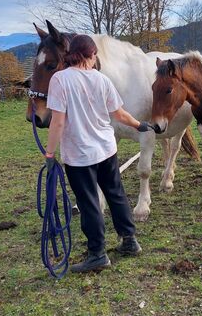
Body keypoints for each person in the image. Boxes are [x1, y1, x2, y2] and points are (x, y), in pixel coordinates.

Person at [44, 34, 153, 273]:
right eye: (94, 56)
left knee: (89, 201)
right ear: (88, 55)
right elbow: (120, 114)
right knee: (116, 194)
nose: (95, 60)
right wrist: (138, 124)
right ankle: (129, 240)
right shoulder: (101, 80)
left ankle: (97, 253)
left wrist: (50, 154)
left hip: (79, 155)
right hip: (106, 149)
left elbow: (58, 123)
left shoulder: (60, 81)